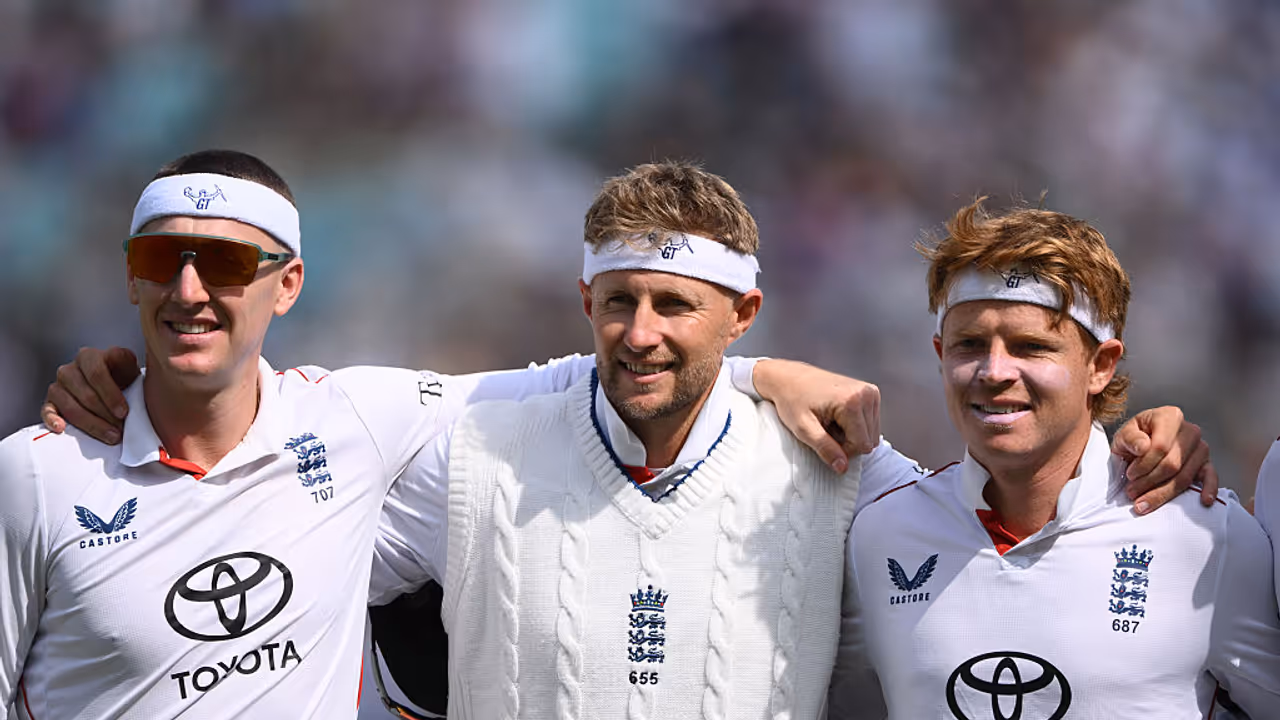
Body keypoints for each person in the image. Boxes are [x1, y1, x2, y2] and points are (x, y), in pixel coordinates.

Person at [34, 162, 1209, 719]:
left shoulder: (853, 482)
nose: (638, 333)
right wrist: (118, 401)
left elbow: (1018, 550)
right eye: (615, 302)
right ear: (584, 303)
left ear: (741, 312)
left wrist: (1141, 444)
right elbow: (251, 464)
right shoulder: (466, 441)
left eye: (675, 307)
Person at [0, 150, 884, 720]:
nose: (190, 290)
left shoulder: (358, 422)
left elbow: (611, 377)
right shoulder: (33, 473)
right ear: (131, 279)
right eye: (162, 261)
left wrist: (757, 374)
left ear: (290, 282)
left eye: (227, 263)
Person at [833, 200, 1280, 718]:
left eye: (1030, 347)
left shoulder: (1208, 537)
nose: (994, 370)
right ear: (940, 356)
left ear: (1101, 366)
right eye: (970, 344)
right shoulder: (877, 531)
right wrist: (754, 374)